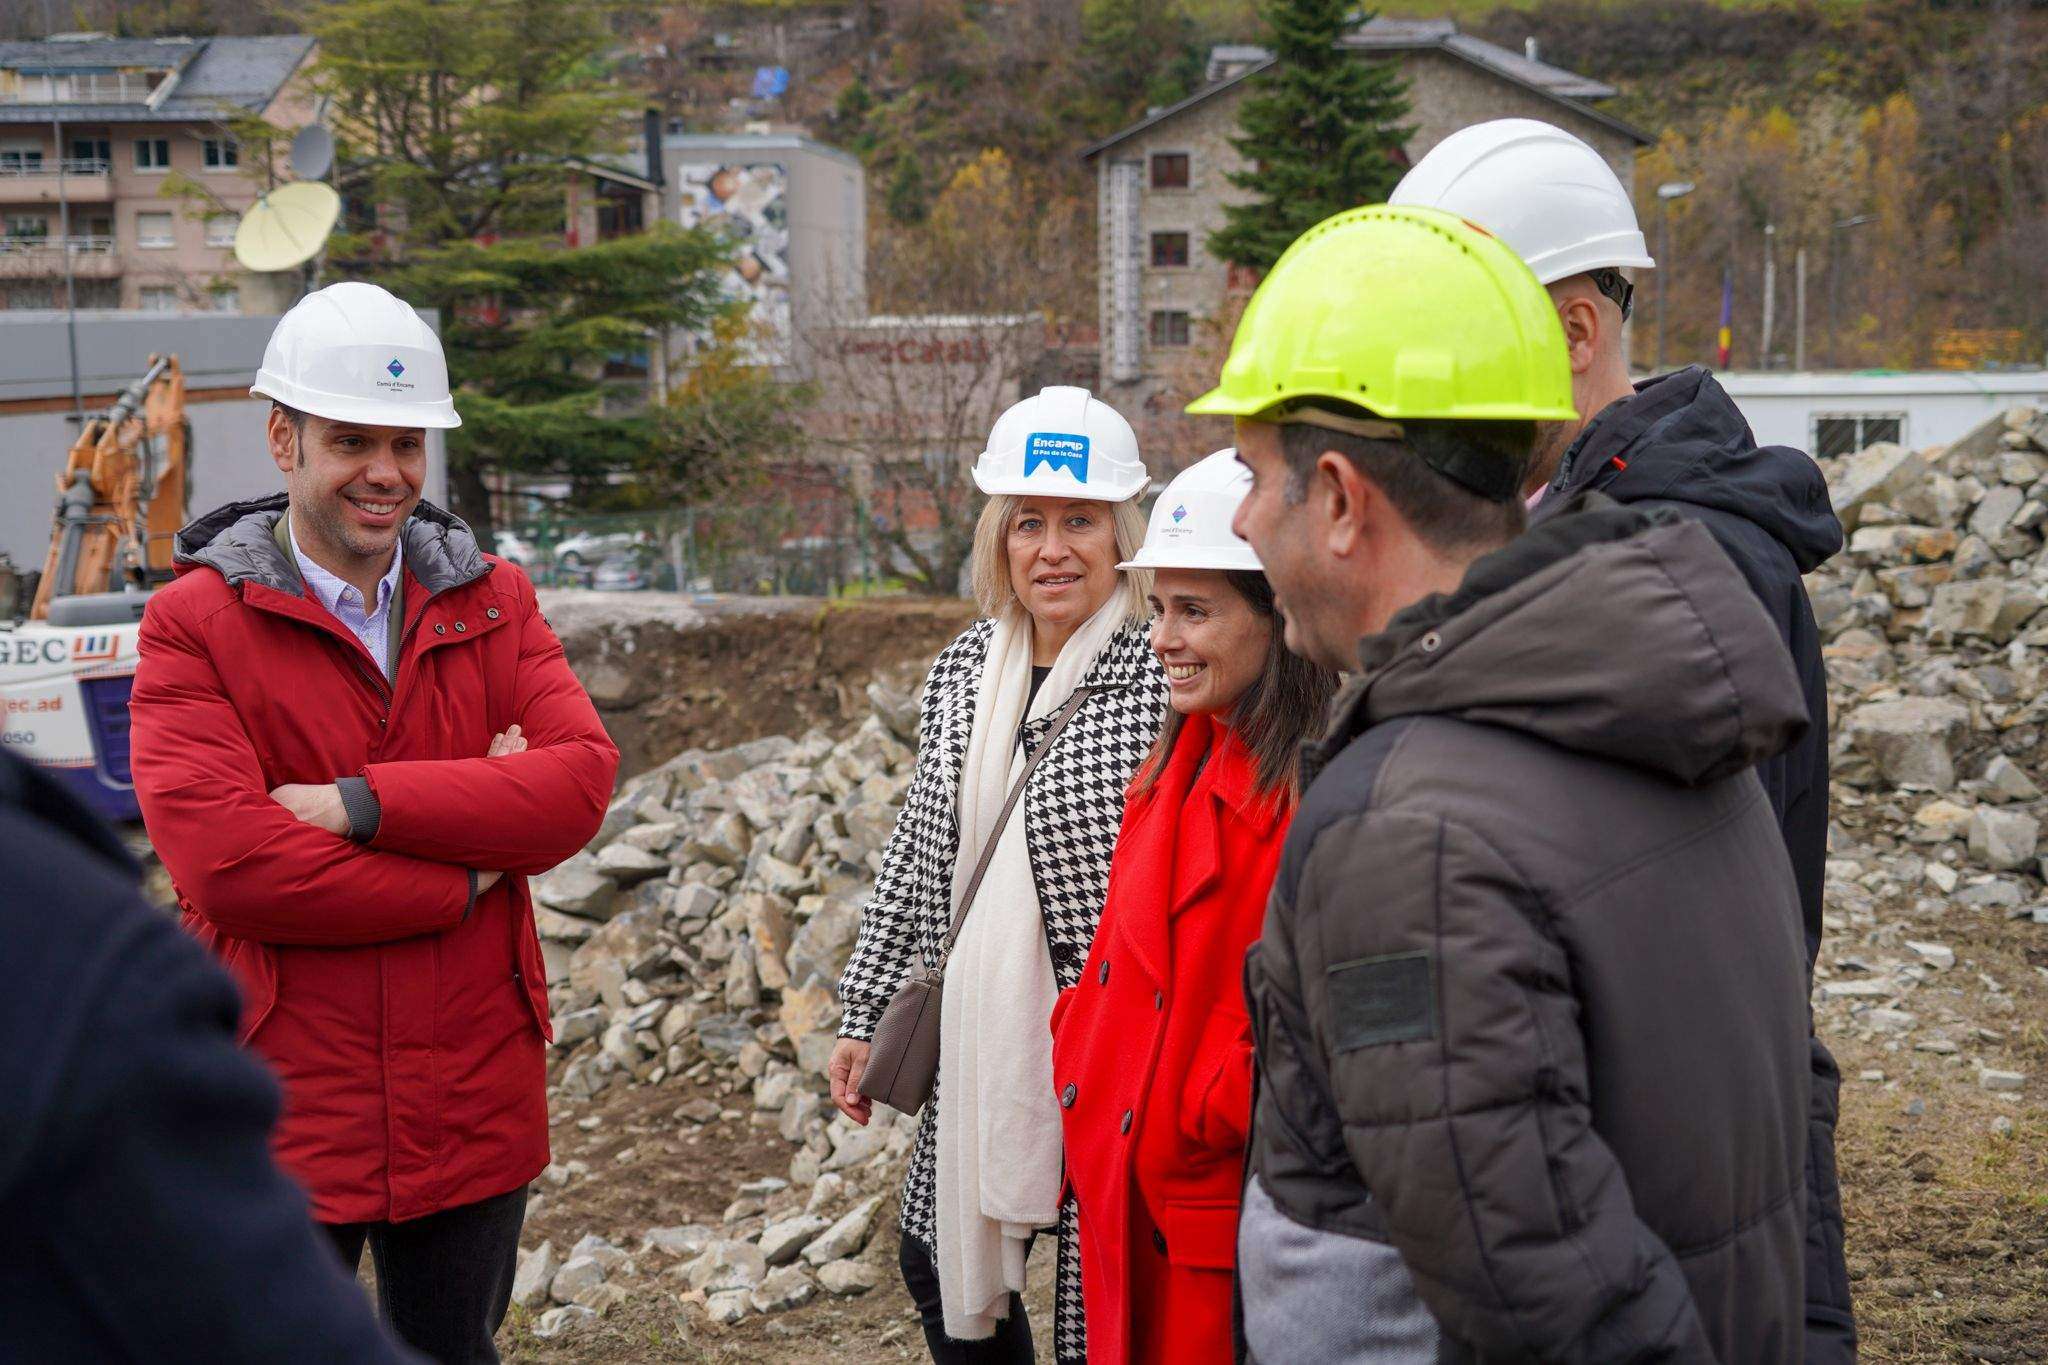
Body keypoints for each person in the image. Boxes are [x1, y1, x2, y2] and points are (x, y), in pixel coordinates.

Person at [1194, 204, 1813, 1360]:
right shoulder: (1653, 696)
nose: (1236, 520)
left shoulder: (1406, 835)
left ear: (1338, 498)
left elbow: (1544, 1297)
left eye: (1251, 476)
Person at [1393, 118, 1854, 1360]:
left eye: (1455, 338)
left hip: (1680, 1138)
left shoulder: (1681, 558)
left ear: (1572, 333)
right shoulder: (1571, 527)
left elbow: (1680, 918)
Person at [129, 281, 619, 1365]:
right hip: (284, 1098)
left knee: (452, 1346)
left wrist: (361, 805)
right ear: (283, 439)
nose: (386, 472)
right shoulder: (193, 625)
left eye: (406, 443)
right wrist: (469, 871)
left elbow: (580, 782)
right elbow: (231, 867)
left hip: (472, 1088)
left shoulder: (496, 600)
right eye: (351, 441)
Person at [830, 386, 1168, 1363]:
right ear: (998, 538)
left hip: (1110, 1039)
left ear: (1121, 535)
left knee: (1094, 1301)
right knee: (936, 1261)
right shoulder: (966, 667)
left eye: (1080, 521)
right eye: (1029, 523)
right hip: (984, 1028)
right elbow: (920, 853)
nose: (1052, 549)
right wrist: (863, 1012)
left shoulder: (1162, 672)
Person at [1048, 450, 1336, 1364]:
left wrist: (1212, 1098)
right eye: (1159, 609)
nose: (1162, 638)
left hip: (1214, 1206)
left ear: (1277, 613)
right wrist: (1082, 1041)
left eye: (1195, 611)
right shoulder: (1179, 758)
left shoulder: (1311, 798)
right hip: (1130, 1182)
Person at [0, 748, 420, 1363]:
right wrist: (462, 872)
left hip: (461, 1103)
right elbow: (234, 866)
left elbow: (558, 792)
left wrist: (347, 805)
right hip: (302, 1098)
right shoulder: (65, 932)